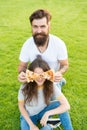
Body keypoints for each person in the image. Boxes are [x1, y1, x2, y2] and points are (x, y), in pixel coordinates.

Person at [18, 9, 69, 90]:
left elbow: (65, 65)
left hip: (52, 80)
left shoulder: (59, 44)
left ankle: (60, 81)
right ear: (31, 27)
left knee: (51, 101)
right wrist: (22, 73)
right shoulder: (27, 44)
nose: (39, 31)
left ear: (49, 26)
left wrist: (59, 73)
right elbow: (22, 66)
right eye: (35, 27)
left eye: (42, 26)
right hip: (35, 80)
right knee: (29, 100)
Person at [18, 56, 73, 130]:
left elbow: (66, 106)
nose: (40, 78)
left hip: (44, 111)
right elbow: (21, 106)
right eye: (36, 74)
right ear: (31, 74)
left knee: (60, 103)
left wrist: (48, 113)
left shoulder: (50, 85)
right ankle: (49, 127)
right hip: (29, 115)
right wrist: (31, 125)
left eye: (42, 74)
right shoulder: (24, 87)